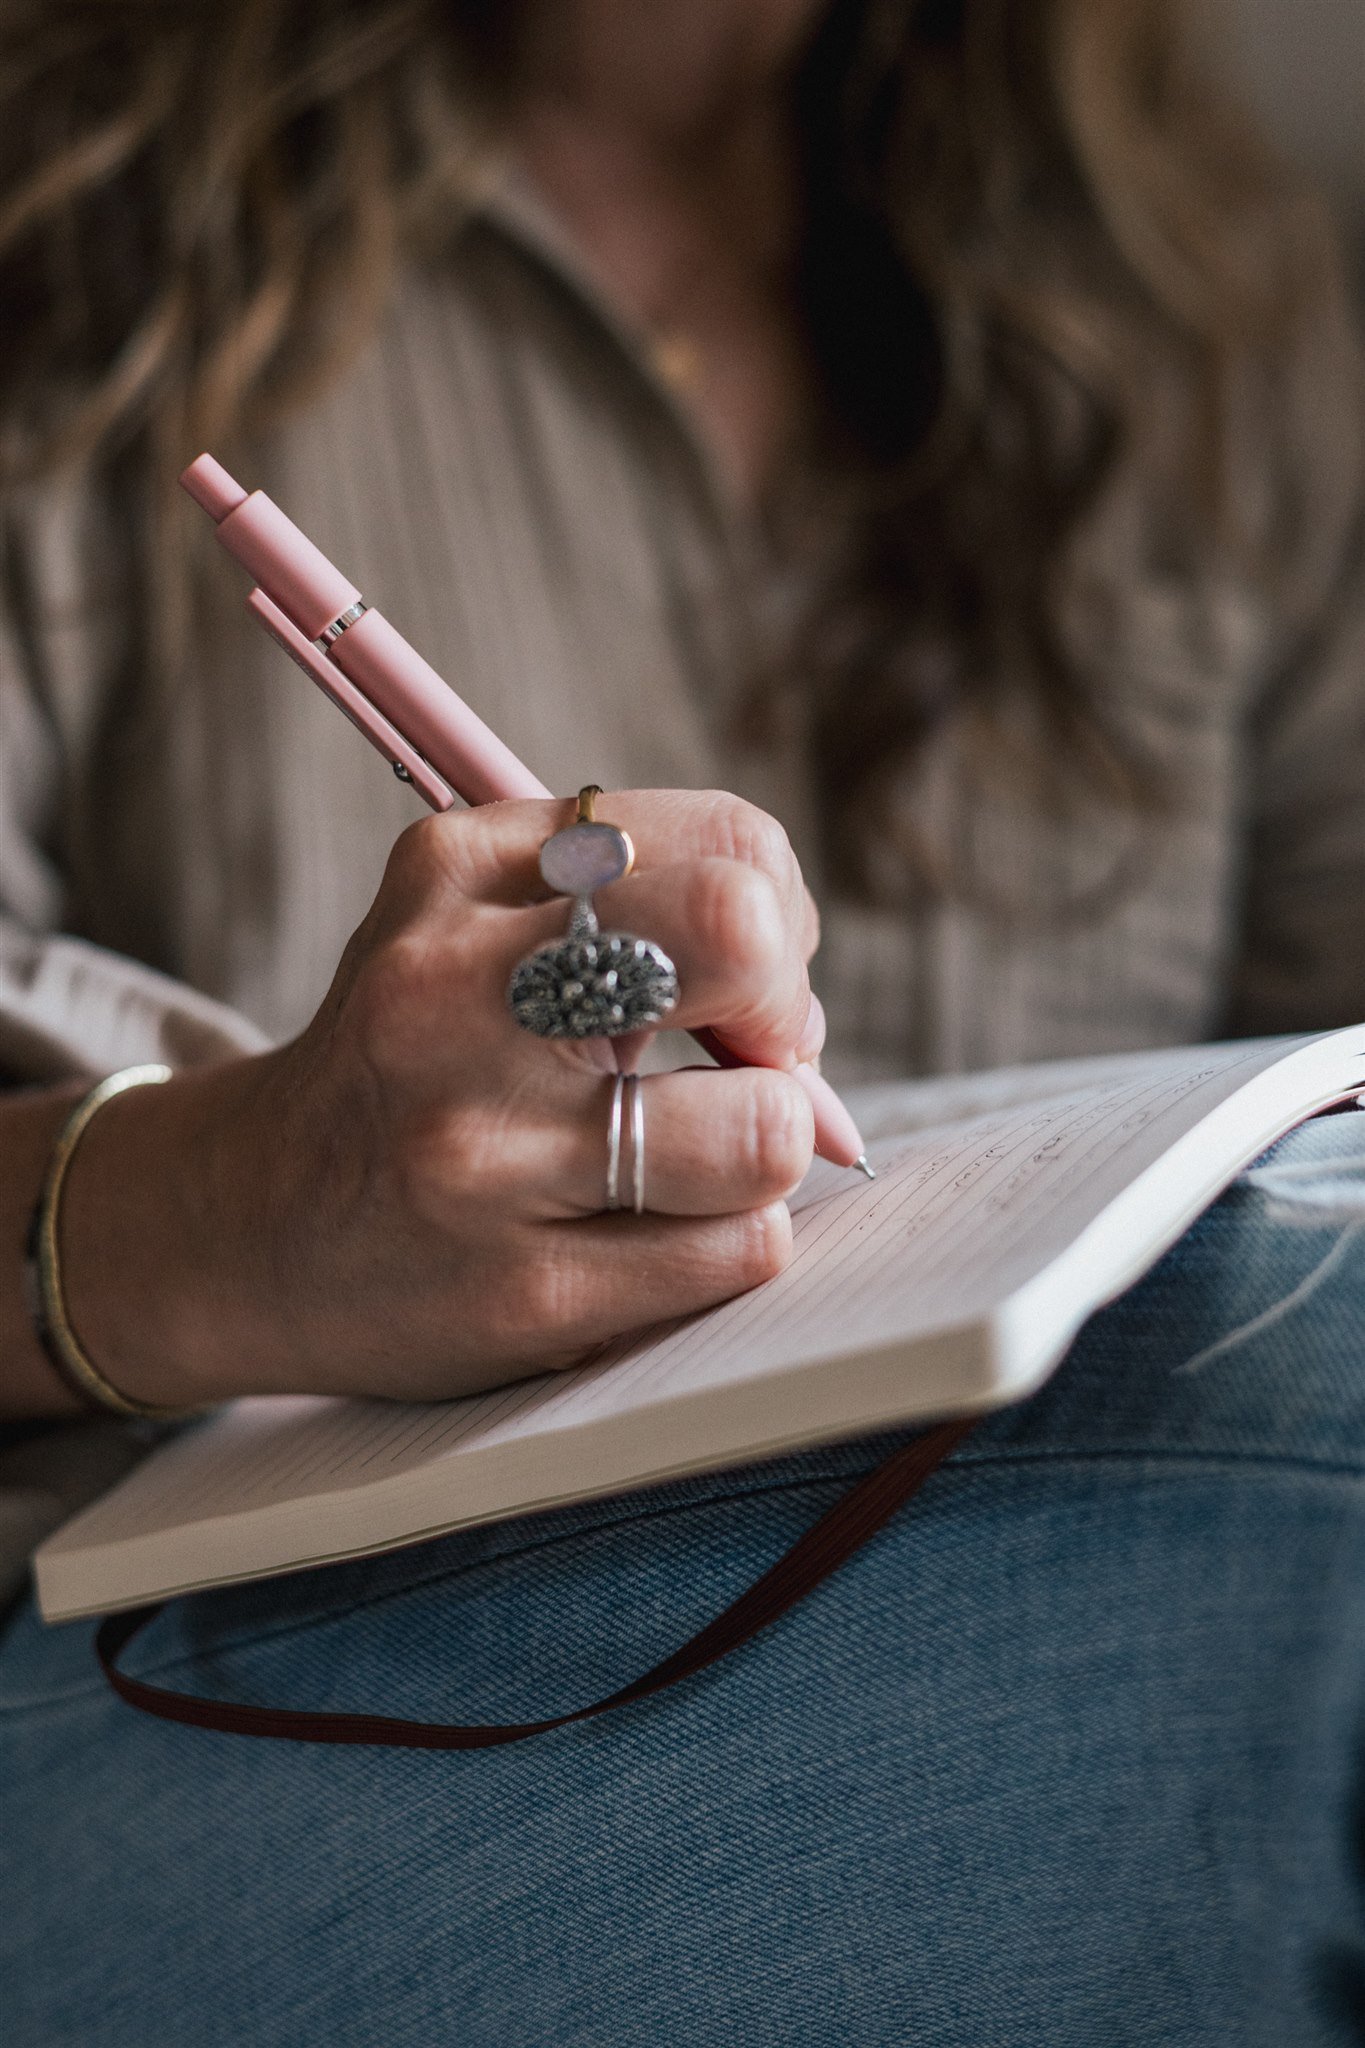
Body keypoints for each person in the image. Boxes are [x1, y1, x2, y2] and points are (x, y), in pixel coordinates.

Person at [2, 2, 1364, 2041]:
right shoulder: (65, 225)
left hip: (1000, 1554)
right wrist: (229, 1208)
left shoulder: (1197, 306)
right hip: (201, 1678)